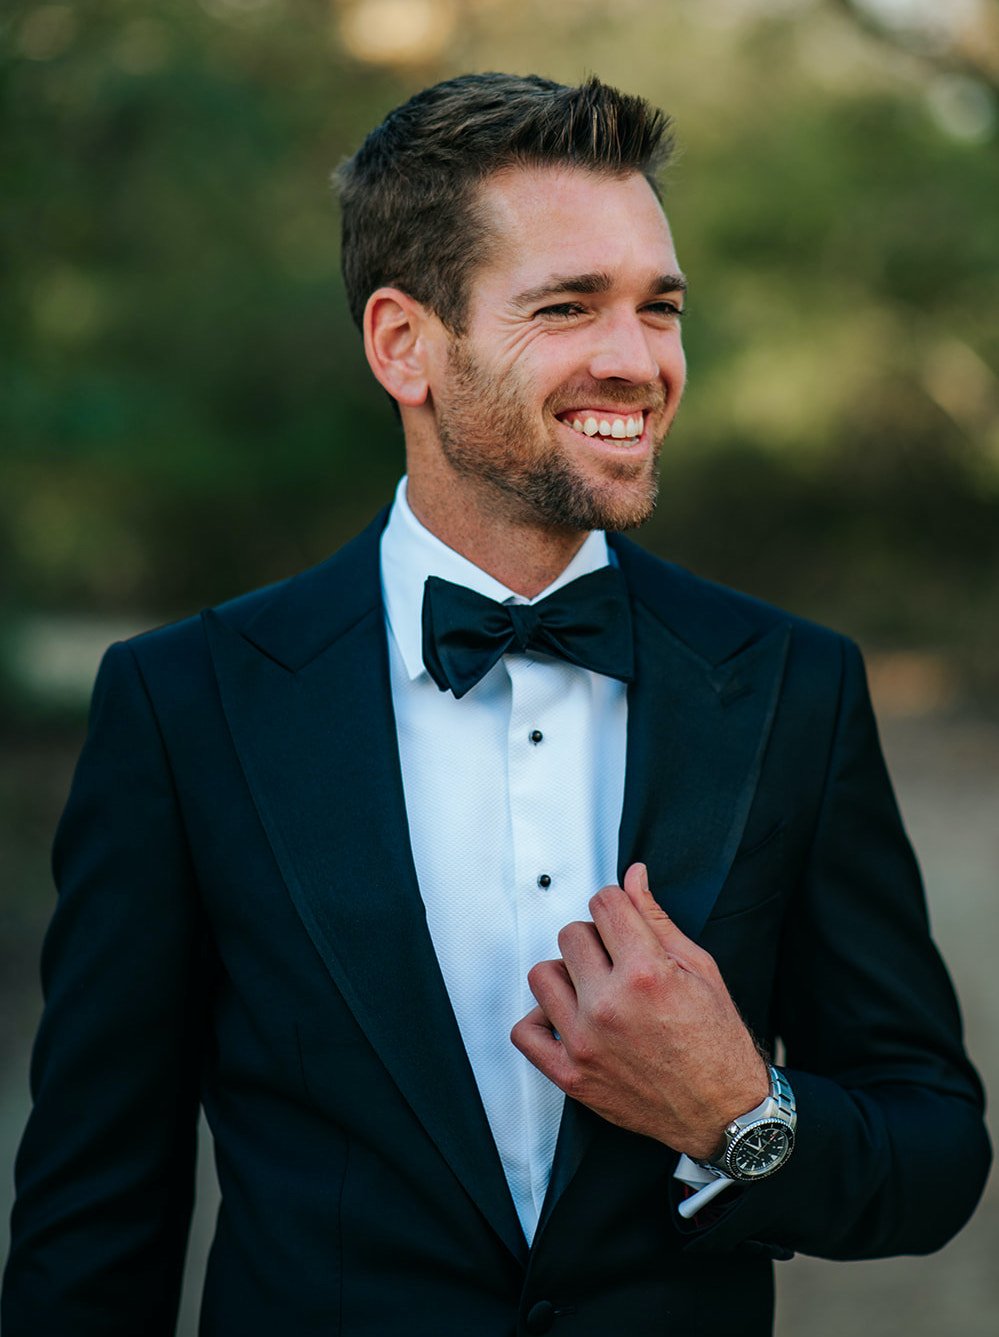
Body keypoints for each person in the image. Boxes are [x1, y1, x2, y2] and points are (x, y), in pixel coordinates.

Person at [2, 73, 990, 1337]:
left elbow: (935, 1157)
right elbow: (93, 1220)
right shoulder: (187, 703)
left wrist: (739, 1113)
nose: (635, 361)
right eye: (569, 306)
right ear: (403, 345)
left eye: (659, 307)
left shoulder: (793, 683)